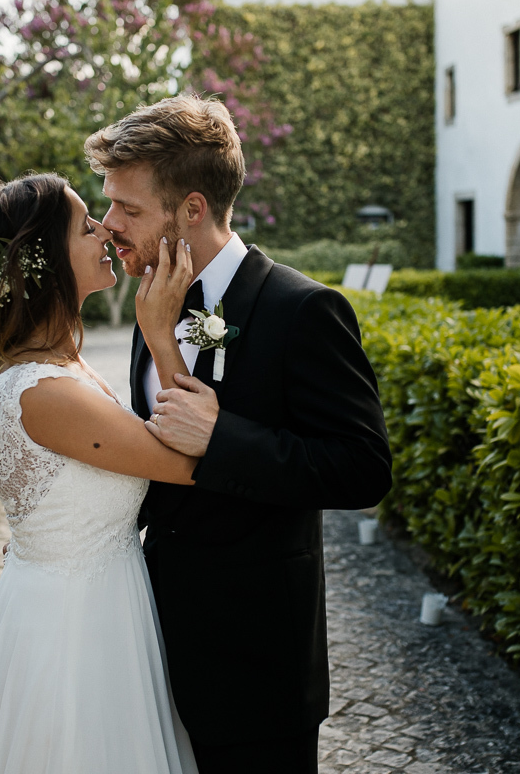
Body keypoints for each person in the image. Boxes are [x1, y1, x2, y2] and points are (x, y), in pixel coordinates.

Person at [84, 93, 393, 774]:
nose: (109, 225)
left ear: (191, 209)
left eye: (128, 209)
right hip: (151, 647)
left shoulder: (302, 310)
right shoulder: (153, 302)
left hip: (259, 665)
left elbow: (364, 466)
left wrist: (225, 438)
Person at [0, 172, 202, 774]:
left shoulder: (58, 365)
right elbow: (187, 463)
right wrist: (161, 335)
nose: (105, 232)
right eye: (86, 225)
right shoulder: (48, 390)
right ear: (44, 262)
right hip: (76, 631)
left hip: (89, 607)